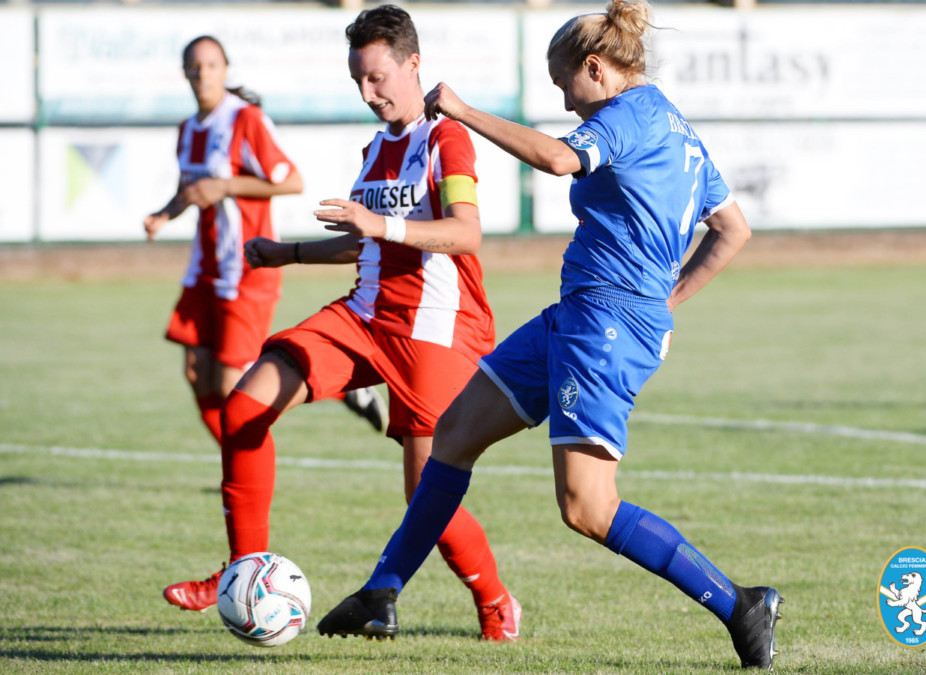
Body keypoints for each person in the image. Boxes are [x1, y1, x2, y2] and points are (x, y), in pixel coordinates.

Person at [318, 0, 782, 667]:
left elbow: (563, 161)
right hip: (581, 315)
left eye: (567, 86)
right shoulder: (676, 127)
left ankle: (741, 605)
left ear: (597, 69)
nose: (568, 103)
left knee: (587, 506)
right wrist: (668, 301)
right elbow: (733, 228)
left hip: (607, 325)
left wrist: (464, 109)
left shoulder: (628, 115)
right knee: (452, 435)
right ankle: (381, 591)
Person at [161, 5, 522, 643]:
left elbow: (466, 235)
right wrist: (289, 252)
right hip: (363, 314)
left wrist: (378, 224)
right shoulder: (376, 147)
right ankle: (242, 573)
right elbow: (366, 244)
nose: (368, 92)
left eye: (378, 77)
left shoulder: (446, 139)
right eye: (358, 80)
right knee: (243, 410)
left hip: (434, 328)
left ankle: (495, 601)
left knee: (425, 492)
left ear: (414, 64)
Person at [144, 35, 303, 467]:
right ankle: (237, 466)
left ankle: (339, 388)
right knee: (197, 374)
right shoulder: (188, 129)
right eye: (194, 66)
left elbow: (292, 181)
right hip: (205, 268)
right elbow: (191, 189)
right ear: (184, 73)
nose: (203, 74)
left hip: (247, 268)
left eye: (211, 65)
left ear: (225, 69)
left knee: (237, 387)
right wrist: (164, 214)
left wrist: (227, 185)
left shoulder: (245, 120)